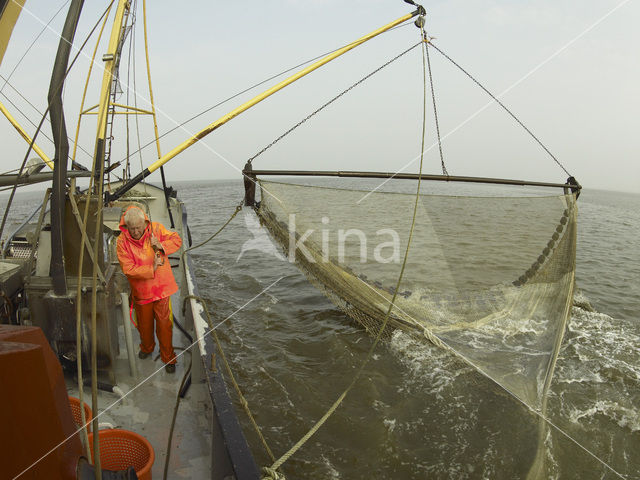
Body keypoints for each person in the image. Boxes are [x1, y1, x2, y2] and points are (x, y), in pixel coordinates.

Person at [116, 205, 182, 373]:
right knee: (144, 326)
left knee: (164, 325)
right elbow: (128, 269)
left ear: (144, 223)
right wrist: (151, 268)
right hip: (141, 293)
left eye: (139, 227)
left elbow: (177, 240)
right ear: (127, 227)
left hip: (161, 290)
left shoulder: (156, 228)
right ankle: (147, 348)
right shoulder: (121, 242)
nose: (136, 231)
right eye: (132, 229)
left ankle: (168, 357)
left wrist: (160, 244)